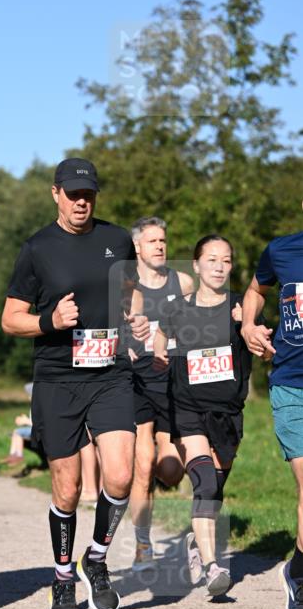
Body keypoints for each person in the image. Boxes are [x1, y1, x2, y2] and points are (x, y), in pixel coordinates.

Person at [2, 157, 149, 609]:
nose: (81, 202)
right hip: (58, 377)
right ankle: (63, 579)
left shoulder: (117, 239)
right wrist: (49, 320)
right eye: (72, 194)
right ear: (56, 194)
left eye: (88, 194)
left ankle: (97, 559)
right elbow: (9, 319)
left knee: (121, 475)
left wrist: (136, 317)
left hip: (110, 373)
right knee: (67, 488)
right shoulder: (37, 248)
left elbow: (131, 291)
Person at [154, 235, 252, 599]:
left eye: (226, 261)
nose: (219, 266)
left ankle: (197, 541)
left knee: (216, 490)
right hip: (187, 407)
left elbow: (261, 344)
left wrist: (249, 327)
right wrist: (160, 357)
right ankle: (213, 566)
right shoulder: (176, 308)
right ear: (195, 266)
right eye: (211, 259)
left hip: (227, 412)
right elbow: (161, 337)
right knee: (205, 483)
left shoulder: (242, 306)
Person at [241, 226, 303, 609]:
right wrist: (249, 325)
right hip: (293, 385)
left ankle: (297, 568)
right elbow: (254, 291)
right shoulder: (281, 250)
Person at [127, 217, 193, 570]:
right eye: (152, 241)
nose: (160, 246)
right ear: (137, 247)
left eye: (163, 240)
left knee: (170, 471)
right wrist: (128, 344)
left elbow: (194, 326)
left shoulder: (181, 282)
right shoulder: (126, 287)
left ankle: (152, 478)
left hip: (171, 383)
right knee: (142, 466)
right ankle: (142, 546)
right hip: (137, 384)